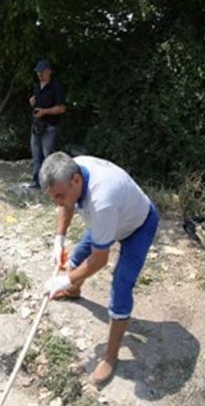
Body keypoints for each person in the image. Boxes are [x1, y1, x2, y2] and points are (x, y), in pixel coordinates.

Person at [40, 152, 159, 384]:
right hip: (113, 218)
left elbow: (99, 260)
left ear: (76, 181)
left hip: (138, 226)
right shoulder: (73, 170)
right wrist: (59, 239)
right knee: (76, 258)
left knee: (121, 286)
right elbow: (66, 203)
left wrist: (63, 280)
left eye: (59, 196)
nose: (57, 203)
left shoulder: (101, 200)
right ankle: (75, 291)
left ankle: (111, 356)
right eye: (52, 198)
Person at [28, 60, 66, 189]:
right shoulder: (37, 86)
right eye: (38, 72)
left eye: (42, 71)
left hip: (50, 127)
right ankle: (36, 181)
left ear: (49, 71)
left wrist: (45, 112)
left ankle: (51, 184)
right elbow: (38, 104)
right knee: (36, 155)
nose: (40, 74)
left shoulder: (56, 87)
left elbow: (62, 108)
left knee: (48, 157)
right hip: (37, 125)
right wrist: (33, 102)